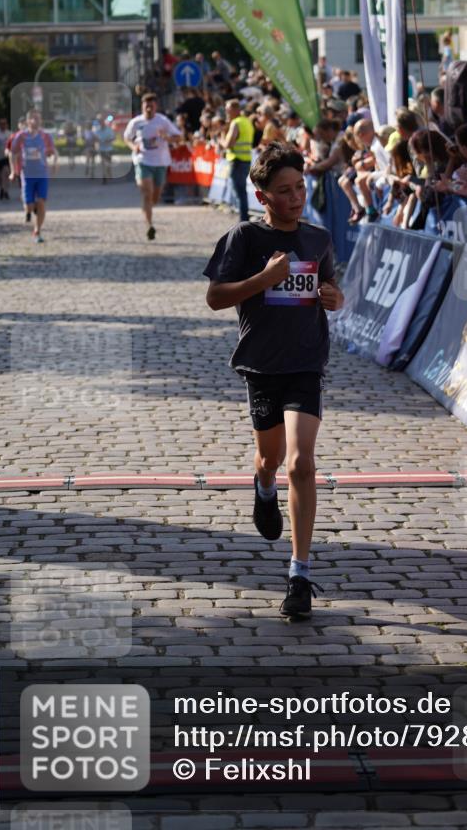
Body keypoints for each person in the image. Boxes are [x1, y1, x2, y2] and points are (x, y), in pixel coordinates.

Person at [203, 142, 344, 620]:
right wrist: (263, 279)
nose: (296, 196)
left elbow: (331, 287)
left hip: (307, 362)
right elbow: (216, 298)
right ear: (262, 196)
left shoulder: (319, 238)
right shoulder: (243, 238)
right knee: (272, 457)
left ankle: (299, 574)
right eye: (284, 190)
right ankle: (262, 484)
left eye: (300, 187)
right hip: (262, 366)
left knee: (302, 463)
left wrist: (333, 297)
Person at [123, 93, 181, 240]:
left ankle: (149, 207)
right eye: (146, 105)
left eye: (152, 105)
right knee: (147, 194)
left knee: (155, 197)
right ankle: (149, 225)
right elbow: (126, 137)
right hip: (143, 161)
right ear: (142, 106)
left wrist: (166, 137)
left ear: (156, 107)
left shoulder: (163, 121)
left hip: (160, 162)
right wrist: (133, 146)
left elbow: (178, 137)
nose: (149, 108)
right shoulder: (136, 122)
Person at [9, 109, 58, 243]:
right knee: (29, 207)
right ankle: (29, 205)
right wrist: (13, 171)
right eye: (33, 118)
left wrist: (54, 163)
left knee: (42, 202)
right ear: (28, 121)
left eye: (38, 118)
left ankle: (37, 231)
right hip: (27, 175)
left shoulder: (46, 136)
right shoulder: (21, 136)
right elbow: (12, 153)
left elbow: (53, 151)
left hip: (42, 174)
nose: (36, 121)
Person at [221, 99, 255, 223]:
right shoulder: (247, 122)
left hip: (236, 160)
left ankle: (243, 218)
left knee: (239, 191)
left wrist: (222, 137)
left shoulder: (235, 123)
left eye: (228, 109)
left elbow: (228, 144)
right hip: (246, 160)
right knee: (242, 190)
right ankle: (244, 216)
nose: (226, 111)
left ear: (235, 110)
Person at [95, 115, 115, 184]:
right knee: (103, 163)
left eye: (102, 121)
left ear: (104, 122)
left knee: (108, 164)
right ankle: (104, 177)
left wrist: (108, 141)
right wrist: (97, 142)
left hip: (109, 149)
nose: (101, 123)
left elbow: (113, 138)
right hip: (101, 149)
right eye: (99, 122)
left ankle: (109, 174)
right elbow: (95, 139)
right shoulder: (97, 131)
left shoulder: (109, 129)